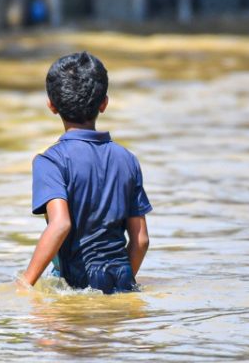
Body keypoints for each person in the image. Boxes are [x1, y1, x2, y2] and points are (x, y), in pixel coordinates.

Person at [18, 51, 152, 294]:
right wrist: (122, 284)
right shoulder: (127, 160)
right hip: (122, 280)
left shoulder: (51, 161)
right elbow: (140, 240)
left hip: (77, 283)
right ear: (104, 103)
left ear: (51, 105)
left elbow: (60, 225)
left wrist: (24, 284)